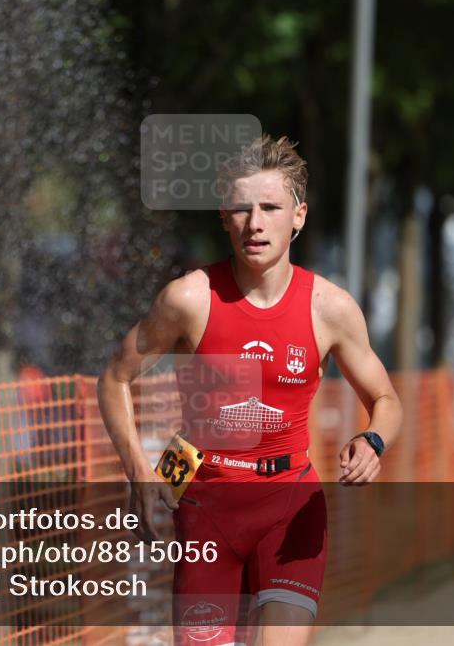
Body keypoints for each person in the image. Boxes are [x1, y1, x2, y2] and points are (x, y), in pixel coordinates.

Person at [98, 135, 402, 645]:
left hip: (289, 505)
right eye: (241, 208)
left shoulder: (329, 308)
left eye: (270, 207)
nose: (255, 223)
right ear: (224, 216)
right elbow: (114, 379)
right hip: (202, 500)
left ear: (298, 216)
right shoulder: (189, 299)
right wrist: (139, 471)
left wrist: (373, 441)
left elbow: (386, 401)